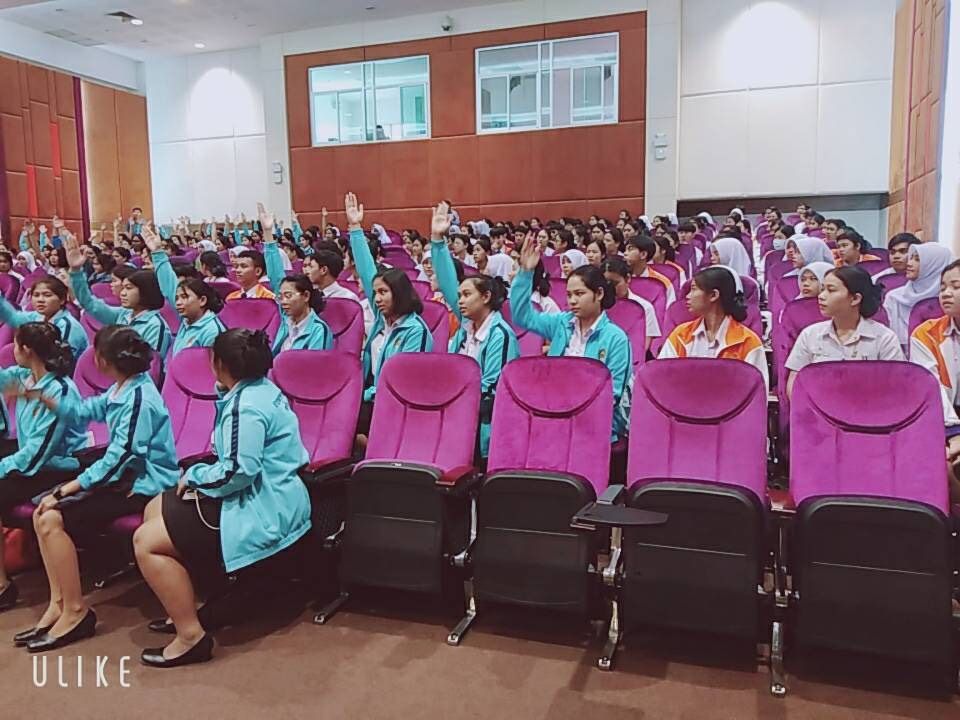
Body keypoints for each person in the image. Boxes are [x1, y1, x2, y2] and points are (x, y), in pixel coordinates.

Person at [133, 329, 311, 667]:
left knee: (146, 542)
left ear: (220, 364)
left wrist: (195, 477)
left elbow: (238, 472)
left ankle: (191, 638)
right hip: (273, 496)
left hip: (263, 508)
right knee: (156, 507)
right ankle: (195, 604)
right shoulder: (261, 389)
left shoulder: (245, 407)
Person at [14, 326, 179, 652]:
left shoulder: (139, 398)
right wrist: (44, 397)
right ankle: (59, 604)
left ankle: (75, 612)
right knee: (42, 513)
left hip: (143, 485)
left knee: (50, 516)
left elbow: (121, 458)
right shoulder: (123, 388)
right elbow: (83, 412)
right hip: (123, 480)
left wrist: (67, 489)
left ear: (103, 360)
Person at [510, 237, 631, 440]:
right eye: (569, 295)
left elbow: (613, 394)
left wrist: (570, 413)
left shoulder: (616, 338)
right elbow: (522, 316)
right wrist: (526, 273)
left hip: (594, 424)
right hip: (553, 413)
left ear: (599, 294)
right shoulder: (561, 323)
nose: (572, 301)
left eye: (579, 294)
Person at [0, 324, 86, 612]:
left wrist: (2, 467)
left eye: (15, 345)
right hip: (34, 462)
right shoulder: (24, 377)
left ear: (26, 350)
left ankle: (2, 587)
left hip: (59, 467)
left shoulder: (59, 391)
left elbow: (36, 455)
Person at [430, 203, 518, 457]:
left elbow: (492, 388)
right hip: (457, 411)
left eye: (467, 295)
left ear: (486, 297)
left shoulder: (500, 334)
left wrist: (451, 398)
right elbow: (448, 282)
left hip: (483, 425)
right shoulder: (465, 328)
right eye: (459, 296)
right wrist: (437, 240)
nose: (460, 300)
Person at [345, 193, 432, 410]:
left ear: (399, 293)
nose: (377, 298)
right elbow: (367, 270)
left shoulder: (416, 330)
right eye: (376, 293)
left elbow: (406, 380)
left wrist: (365, 395)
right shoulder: (382, 319)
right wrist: (355, 228)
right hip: (372, 395)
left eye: (384, 292)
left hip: (398, 404)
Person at [786, 266, 903, 398]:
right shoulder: (810, 334)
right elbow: (795, 382)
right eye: (823, 289)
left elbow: (895, 385)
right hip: (817, 409)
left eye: (831, 290)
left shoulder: (884, 338)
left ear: (855, 299)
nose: (821, 296)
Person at [65, 231, 172, 358]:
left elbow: (153, 364)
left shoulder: (155, 325)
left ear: (145, 290)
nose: (123, 293)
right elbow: (89, 303)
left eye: (129, 288)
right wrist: (76, 271)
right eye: (123, 287)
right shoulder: (124, 314)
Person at [658, 266, 768, 390]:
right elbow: (662, 378)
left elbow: (757, 392)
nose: (688, 296)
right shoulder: (680, 335)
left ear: (714, 295)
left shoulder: (747, 341)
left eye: (693, 289)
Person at [910, 260, 960, 502]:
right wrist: (955, 434)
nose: (946, 293)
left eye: (955, 286)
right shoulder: (926, 333)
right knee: (945, 465)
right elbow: (931, 388)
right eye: (942, 288)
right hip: (945, 420)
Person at [260, 207, 333, 355]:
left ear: (306, 296)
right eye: (281, 297)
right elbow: (276, 277)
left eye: (288, 296)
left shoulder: (318, 330)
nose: (283, 302)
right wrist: (268, 233)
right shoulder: (286, 319)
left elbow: (311, 365)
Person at [144, 228, 225, 355]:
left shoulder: (212, 331)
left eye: (184, 297)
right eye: (177, 298)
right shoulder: (187, 320)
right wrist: (157, 251)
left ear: (202, 300)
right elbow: (170, 286)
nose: (178, 302)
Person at [0, 276, 87, 360]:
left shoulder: (68, 326)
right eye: (36, 295)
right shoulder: (36, 316)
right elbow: (12, 317)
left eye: (47, 295)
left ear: (62, 300)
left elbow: (61, 361)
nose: (40, 300)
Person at [884, 242, 954, 346]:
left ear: (934, 265)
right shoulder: (894, 297)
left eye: (917, 259)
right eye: (910, 258)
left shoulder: (949, 299)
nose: (909, 263)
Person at [602, 257, 661, 353]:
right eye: (606, 283)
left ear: (628, 278)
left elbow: (643, 346)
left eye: (615, 283)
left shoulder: (645, 307)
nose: (611, 288)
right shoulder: (597, 306)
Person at [624, 236, 676, 304]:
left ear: (643, 254)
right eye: (625, 250)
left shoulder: (662, 282)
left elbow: (669, 307)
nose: (625, 253)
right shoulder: (621, 279)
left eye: (630, 249)